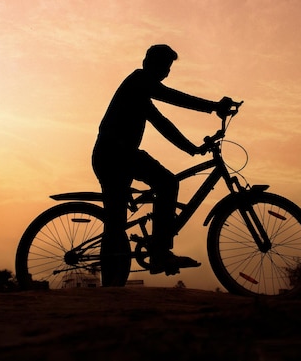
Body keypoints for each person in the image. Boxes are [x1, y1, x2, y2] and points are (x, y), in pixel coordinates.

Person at [92, 44, 233, 286]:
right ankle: (159, 252)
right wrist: (213, 107)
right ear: (147, 63)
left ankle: (111, 287)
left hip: (114, 156)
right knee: (167, 183)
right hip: (116, 154)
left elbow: (163, 124)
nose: (165, 73)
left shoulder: (140, 94)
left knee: (115, 221)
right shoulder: (138, 80)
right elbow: (173, 97)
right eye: (162, 67)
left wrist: (192, 149)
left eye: (167, 70)